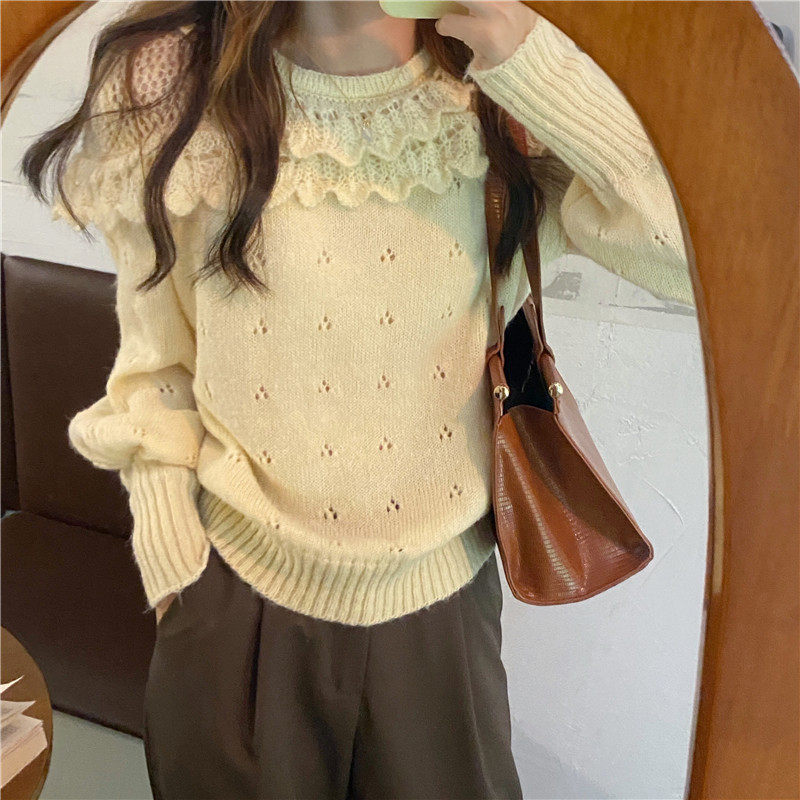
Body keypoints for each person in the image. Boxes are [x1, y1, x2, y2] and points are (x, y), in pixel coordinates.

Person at [23, 1, 691, 797]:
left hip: (442, 615)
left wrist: (533, 64)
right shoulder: (173, 75)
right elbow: (155, 362)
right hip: (233, 603)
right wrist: (176, 568)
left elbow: (694, 261)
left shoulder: (508, 83)